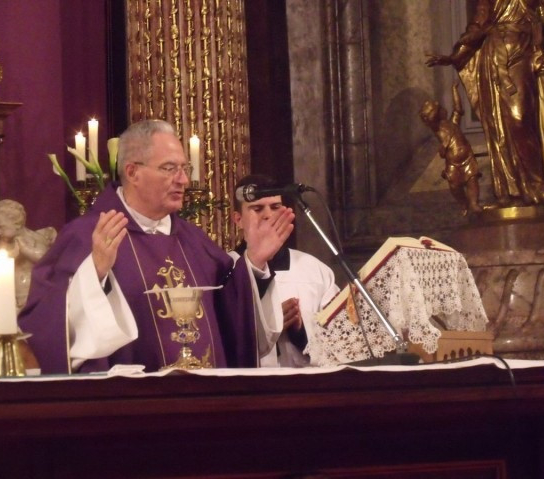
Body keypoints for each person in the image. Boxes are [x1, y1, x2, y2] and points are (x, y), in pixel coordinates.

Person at [18, 120, 294, 374]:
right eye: (169, 168)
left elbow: (232, 315)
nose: (183, 180)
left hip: (204, 401)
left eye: (185, 169)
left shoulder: (193, 240)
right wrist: (95, 273)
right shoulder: (86, 237)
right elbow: (45, 321)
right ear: (133, 172)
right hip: (132, 404)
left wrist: (254, 261)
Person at [426, 0, 544, 206]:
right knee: (511, 121)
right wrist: (455, 56)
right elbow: (479, 21)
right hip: (499, 55)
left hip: (526, 50)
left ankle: (537, 183)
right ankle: (524, 187)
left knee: (524, 118)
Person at [229, 174, 340, 367]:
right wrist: (269, 323)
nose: (268, 215)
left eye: (275, 207)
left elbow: (340, 343)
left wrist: (299, 332)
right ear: (238, 219)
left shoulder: (315, 270)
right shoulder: (223, 268)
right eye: (257, 208)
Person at [419, 83, 483, 215]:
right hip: (453, 163)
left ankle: (474, 203)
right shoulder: (437, 128)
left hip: (467, 158)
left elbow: (458, 109)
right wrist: (432, 106)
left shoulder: (453, 122)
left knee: (472, 180)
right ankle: (464, 203)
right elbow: (430, 117)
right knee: (454, 186)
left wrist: (454, 90)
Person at [0, 199, 57, 312]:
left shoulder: (36, 238)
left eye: (1, 227)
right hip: (15, 293)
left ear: (17, 224)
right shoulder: (2, 244)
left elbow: (46, 259)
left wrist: (26, 250)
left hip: (37, 290)